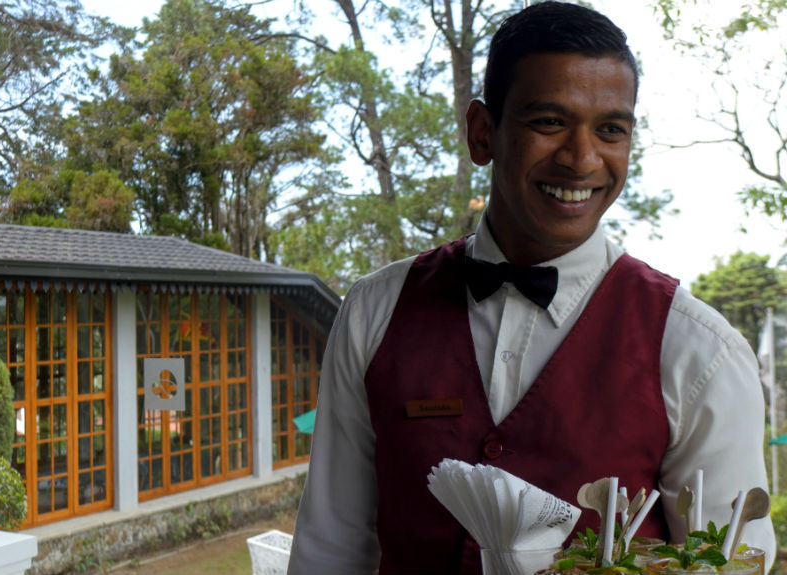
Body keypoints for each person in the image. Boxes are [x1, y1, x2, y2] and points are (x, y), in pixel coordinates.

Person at [287, 2, 777, 573]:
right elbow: (331, 546)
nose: (582, 159)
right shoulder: (375, 311)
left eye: (611, 130)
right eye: (549, 122)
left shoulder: (699, 351)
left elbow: (732, 561)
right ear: (481, 133)